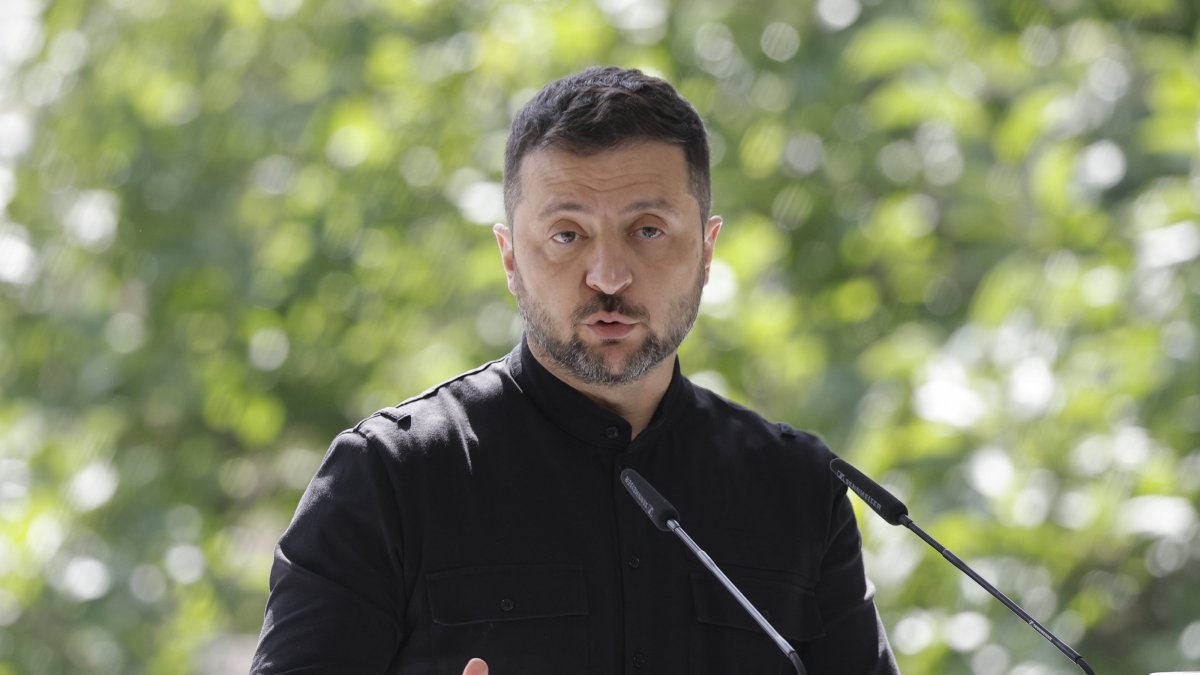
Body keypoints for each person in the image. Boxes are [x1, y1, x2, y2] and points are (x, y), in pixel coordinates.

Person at [251, 66, 899, 675]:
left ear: (706, 250)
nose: (608, 275)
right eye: (567, 235)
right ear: (510, 256)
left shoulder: (798, 489)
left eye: (647, 230)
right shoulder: (387, 479)